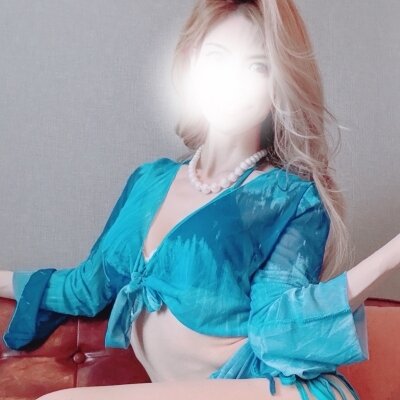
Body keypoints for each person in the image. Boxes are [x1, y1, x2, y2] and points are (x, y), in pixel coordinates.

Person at [1, 1, 400, 399]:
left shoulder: (287, 196)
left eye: (258, 66)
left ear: (278, 85)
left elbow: (278, 327)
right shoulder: (147, 183)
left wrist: (392, 253)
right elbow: (83, 287)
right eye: (217, 58)